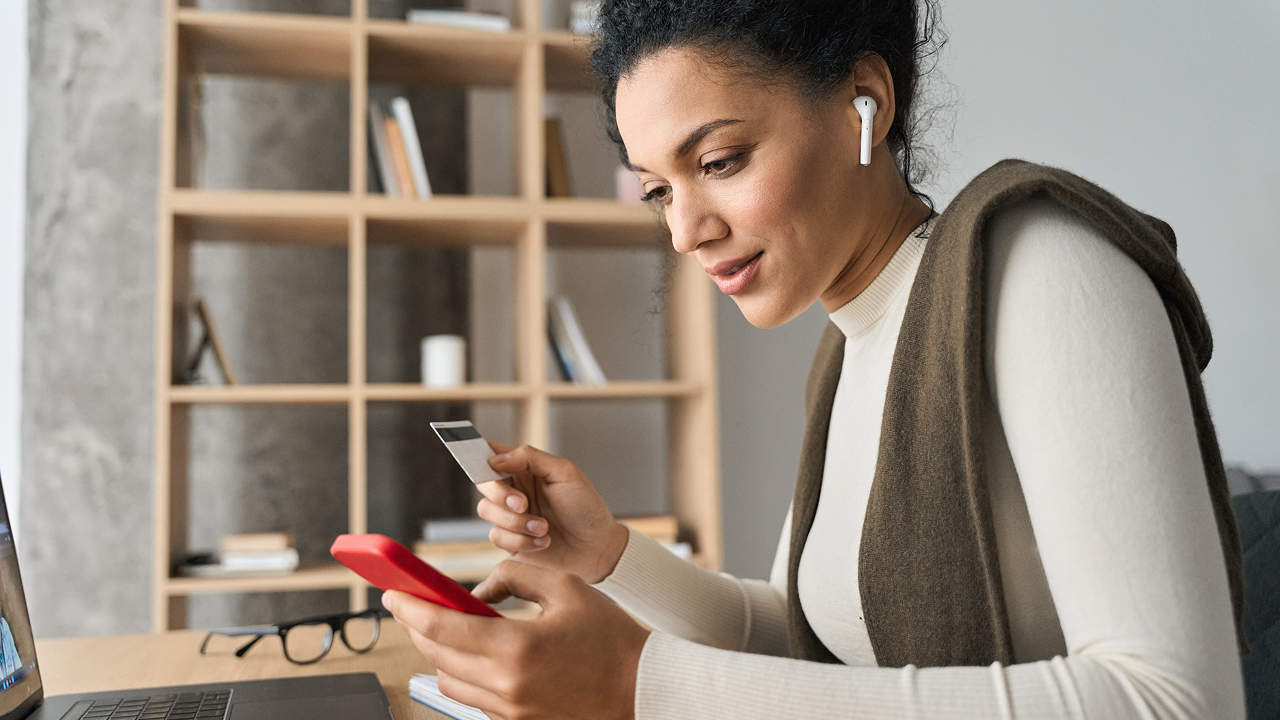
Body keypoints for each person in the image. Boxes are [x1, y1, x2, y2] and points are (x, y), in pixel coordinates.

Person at [382, 1, 1248, 718]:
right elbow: (806, 639)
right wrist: (609, 556)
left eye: (718, 161)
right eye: (658, 190)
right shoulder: (852, 346)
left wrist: (640, 683)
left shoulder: (1041, 263)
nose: (684, 230)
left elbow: (1172, 700)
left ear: (864, 100)